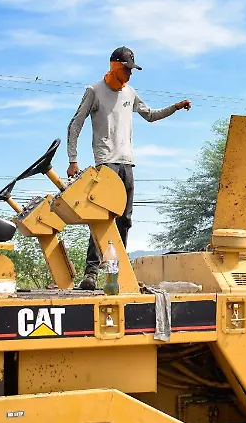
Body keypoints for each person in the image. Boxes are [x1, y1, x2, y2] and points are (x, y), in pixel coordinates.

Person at [66, 46, 191, 290]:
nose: (130, 74)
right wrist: (73, 159)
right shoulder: (94, 91)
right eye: (127, 69)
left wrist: (175, 107)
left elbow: (150, 115)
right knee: (102, 217)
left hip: (126, 163)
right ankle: (91, 273)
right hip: (106, 163)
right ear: (114, 66)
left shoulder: (130, 93)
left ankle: (117, 272)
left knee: (125, 219)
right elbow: (75, 124)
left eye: (132, 70)